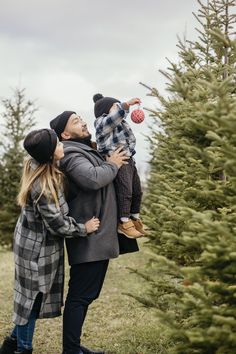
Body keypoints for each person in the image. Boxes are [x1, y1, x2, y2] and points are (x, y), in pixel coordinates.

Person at [0, 129, 99, 354]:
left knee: (29, 299)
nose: (63, 146)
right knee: (32, 302)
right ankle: (23, 349)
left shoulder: (45, 168)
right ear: (49, 153)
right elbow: (58, 224)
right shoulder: (42, 187)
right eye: (58, 144)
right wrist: (85, 228)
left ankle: (10, 345)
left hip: (34, 245)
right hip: (35, 251)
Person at [50, 111, 130, 354]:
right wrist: (112, 164)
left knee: (85, 295)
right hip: (89, 238)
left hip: (97, 236)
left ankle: (73, 347)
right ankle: (71, 350)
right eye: (75, 121)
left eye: (81, 118)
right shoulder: (71, 154)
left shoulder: (83, 149)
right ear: (64, 134)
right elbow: (92, 179)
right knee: (80, 296)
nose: (83, 122)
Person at [93, 93, 145, 239]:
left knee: (137, 191)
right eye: (115, 106)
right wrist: (126, 105)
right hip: (118, 160)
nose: (119, 108)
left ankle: (134, 217)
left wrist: (127, 108)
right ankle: (123, 221)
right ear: (105, 111)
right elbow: (112, 119)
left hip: (129, 159)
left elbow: (119, 116)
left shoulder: (118, 122)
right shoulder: (101, 123)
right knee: (125, 191)